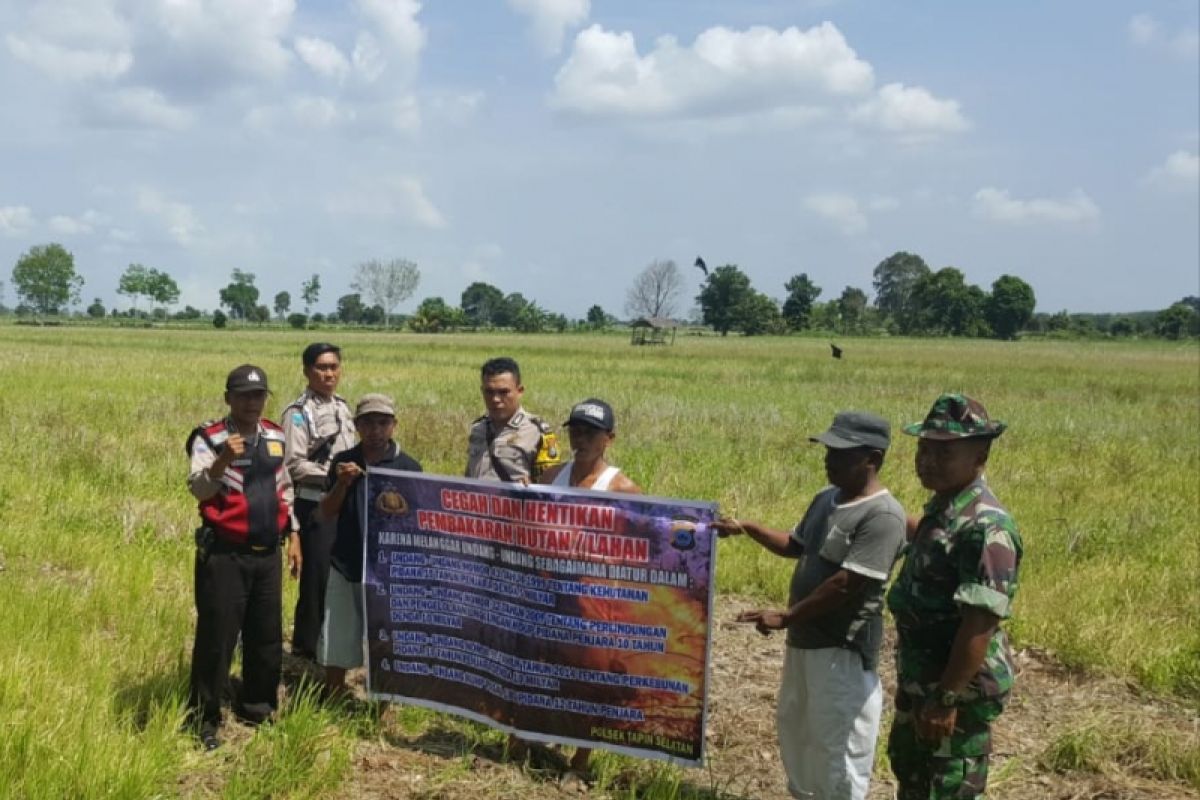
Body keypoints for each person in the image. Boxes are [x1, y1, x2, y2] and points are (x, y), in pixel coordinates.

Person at [713, 411, 906, 800]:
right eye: (829, 449)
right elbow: (796, 545)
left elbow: (847, 584)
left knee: (838, 744)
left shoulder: (883, 516)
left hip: (841, 651)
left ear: (873, 458)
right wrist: (747, 527)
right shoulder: (826, 498)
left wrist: (786, 616)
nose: (829, 459)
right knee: (799, 731)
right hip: (804, 642)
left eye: (841, 453)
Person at [886, 394, 1022, 800]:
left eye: (943, 452)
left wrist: (946, 699)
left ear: (980, 455)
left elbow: (979, 624)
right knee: (913, 778)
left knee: (948, 787)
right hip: (924, 679)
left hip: (954, 691)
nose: (927, 460)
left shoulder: (985, 528)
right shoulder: (945, 509)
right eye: (923, 448)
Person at [185, 364, 302, 751]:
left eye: (258, 395)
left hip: (267, 553)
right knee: (217, 638)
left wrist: (294, 534)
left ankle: (258, 707)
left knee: (265, 637)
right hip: (225, 554)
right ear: (228, 398)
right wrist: (221, 461)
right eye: (244, 395)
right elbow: (200, 491)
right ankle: (203, 719)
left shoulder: (273, 434)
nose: (252, 403)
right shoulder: (209, 436)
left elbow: (284, 488)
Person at [538, 398, 642, 775]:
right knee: (551, 670)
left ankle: (581, 762)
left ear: (609, 438)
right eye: (575, 430)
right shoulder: (552, 477)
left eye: (590, 432)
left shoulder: (622, 488)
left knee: (589, 679)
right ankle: (538, 739)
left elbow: (642, 548)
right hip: (552, 592)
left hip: (593, 600)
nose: (580, 438)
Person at [315, 393, 422, 697]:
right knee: (337, 632)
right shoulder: (343, 461)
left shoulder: (408, 467)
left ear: (394, 426)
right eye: (368, 423)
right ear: (357, 426)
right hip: (346, 561)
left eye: (383, 423)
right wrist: (342, 484)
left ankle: (384, 703)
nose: (376, 430)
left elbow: (416, 521)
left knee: (385, 639)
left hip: (387, 568)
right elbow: (326, 511)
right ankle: (333, 693)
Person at [281, 342, 356, 660]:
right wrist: (332, 475)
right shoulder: (298, 413)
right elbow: (293, 464)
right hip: (314, 504)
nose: (329, 373)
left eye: (333, 367)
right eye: (321, 368)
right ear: (307, 371)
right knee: (316, 579)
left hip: (345, 502)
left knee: (342, 576)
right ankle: (306, 647)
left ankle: (336, 644)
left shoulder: (342, 407)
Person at [465, 356, 560, 484]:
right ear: (482, 391)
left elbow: (551, 487)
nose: (495, 399)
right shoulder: (478, 428)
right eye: (489, 392)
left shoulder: (537, 432)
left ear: (519, 391)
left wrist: (532, 486)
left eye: (503, 392)